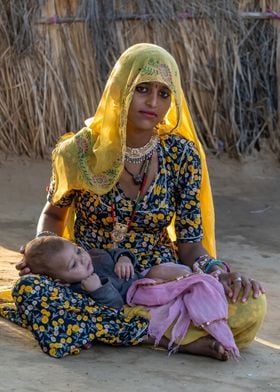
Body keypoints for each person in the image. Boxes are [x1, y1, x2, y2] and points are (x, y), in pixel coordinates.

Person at [11, 43, 266, 360]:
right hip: (88, 279)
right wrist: (45, 250)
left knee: (251, 307)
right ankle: (156, 337)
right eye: (142, 88)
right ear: (120, 90)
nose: (153, 102)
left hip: (156, 286)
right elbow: (53, 215)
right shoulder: (78, 152)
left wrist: (218, 273)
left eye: (163, 93)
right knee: (30, 291)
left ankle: (106, 326)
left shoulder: (181, 156)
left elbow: (189, 243)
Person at [22, 235, 144, 309]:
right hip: (138, 301)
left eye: (78, 251)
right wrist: (98, 290)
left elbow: (114, 252)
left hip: (145, 279)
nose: (82, 259)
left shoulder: (95, 255)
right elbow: (116, 306)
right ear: (61, 281)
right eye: (74, 264)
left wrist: (123, 258)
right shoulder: (79, 291)